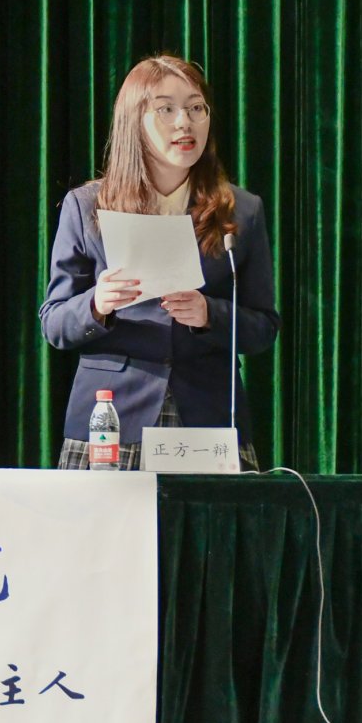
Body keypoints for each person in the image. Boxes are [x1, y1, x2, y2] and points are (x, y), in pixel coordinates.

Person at [39, 55, 279, 469]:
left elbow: (263, 328)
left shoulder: (242, 210)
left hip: (207, 417)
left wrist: (209, 314)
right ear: (134, 122)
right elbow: (54, 323)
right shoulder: (88, 206)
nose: (184, 123)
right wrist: (97, 303)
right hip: (112, 417)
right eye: (166, 109)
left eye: (196, 107)